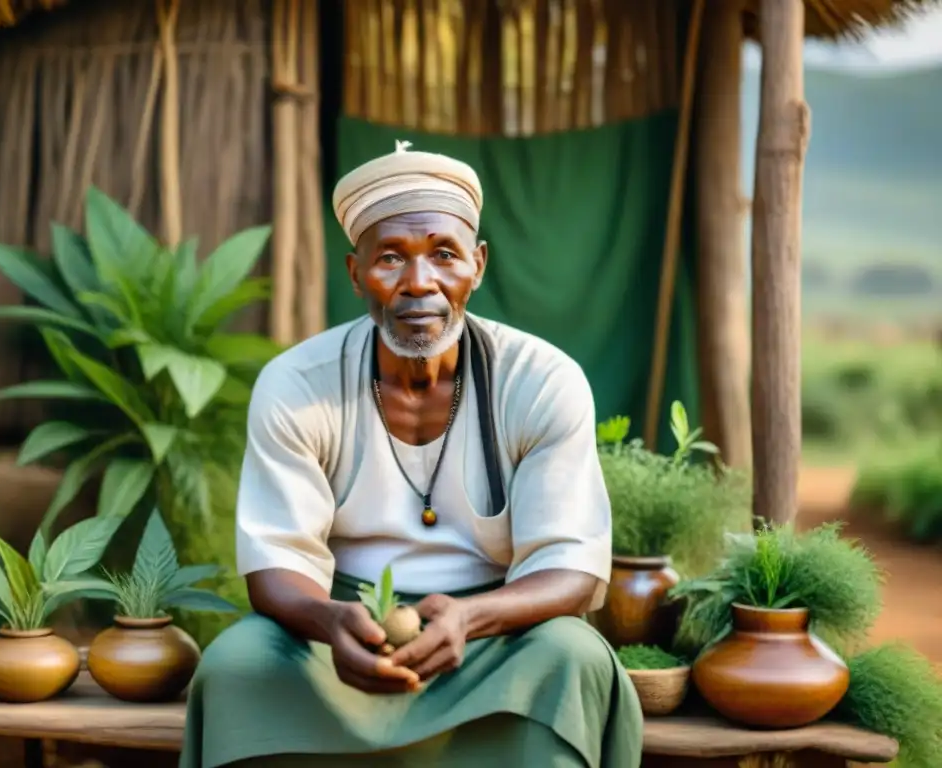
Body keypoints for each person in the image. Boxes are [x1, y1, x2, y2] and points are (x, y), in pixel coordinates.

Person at [179, 141, 643, 768]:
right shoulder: (298, 385)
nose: (419, 283)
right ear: (355, 272)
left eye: (444, 255)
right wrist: (333, 622)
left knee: (573, 658)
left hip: (496, 635)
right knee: (236, 665)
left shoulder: (539, 380)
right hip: (343, 636)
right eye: (391, 258)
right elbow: (275, 563)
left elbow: (572, 568)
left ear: (477, 266)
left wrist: (471, 619)